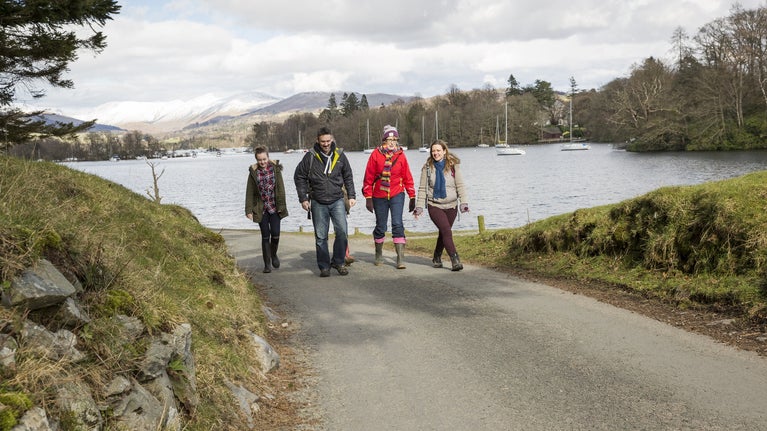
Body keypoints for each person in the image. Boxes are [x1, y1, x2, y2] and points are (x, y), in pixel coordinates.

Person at [294, 127, 357, 277]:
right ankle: (324, 266)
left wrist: (352, 195)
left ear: (332, 139)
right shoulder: (310, 157)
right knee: (321, 237)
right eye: (323, 141)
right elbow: (299, 177)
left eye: (328, 141)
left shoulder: (340, 155)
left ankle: (339, 261)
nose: (326, 144)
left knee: (342, 232)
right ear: (318, 140)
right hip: (318, 201)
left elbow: (348, 176)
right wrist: (303, 198)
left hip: (337, 200)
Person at [362, 125, 416, 269]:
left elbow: (407, 177)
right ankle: (379, 254)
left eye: (394, 140)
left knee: (397, 223)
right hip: (379, 195)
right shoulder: (375, 154)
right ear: (384, 141)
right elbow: (368, 178)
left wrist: (412, 196)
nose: (391, 143)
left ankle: (400, 258)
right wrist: (368, 197)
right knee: (381, 225)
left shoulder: (401, 156)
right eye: (388, 140)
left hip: (397, 193)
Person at [413, 139, 469, 271]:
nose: (435, 153)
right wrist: (419, 207)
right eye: (433, 151)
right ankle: (455, 259)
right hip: (435, 205)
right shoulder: (427, 168)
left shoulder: (453, 166)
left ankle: (437, 256)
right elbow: (422, 188)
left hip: (452, 206)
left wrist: (464, 203)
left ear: (444, 151)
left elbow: (460, 185)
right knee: (446, 230)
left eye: (438, 150)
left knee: (444, 233)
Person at [245, 146, 288, 273]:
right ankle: (267, 264)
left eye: (264, 159)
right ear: (256, 160)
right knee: (265, 236)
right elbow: (249, 192)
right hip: (261, 209)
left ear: (268, 157)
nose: (262, 162)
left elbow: (281, 189)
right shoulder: (254, 172)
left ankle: (273, 254)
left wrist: (282, 206)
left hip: (274, 208)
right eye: (259, 160)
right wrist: (248, 210)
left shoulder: (275, 169)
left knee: (275, 235)